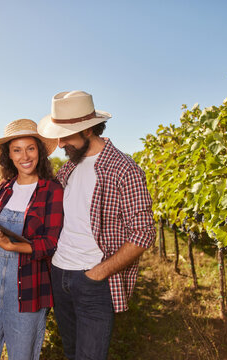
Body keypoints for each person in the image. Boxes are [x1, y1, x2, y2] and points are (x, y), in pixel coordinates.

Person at [37, 90, 156, 360]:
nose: (60, 142)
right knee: (71, 352)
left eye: (65, 135)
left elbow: (144, 233)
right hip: (60, 274)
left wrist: (98, 273)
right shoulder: (68, 169)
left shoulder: (124, 169)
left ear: (87, 131)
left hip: (92, 281)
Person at [0, 118, 64, 360]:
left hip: (28, 289)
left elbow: (51, 243)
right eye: (17, 150)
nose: (24, 156)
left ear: (39, 151)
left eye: (30, 148)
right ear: (9, 155)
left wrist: (12, 245)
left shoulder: (52, 190)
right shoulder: (1, 190)